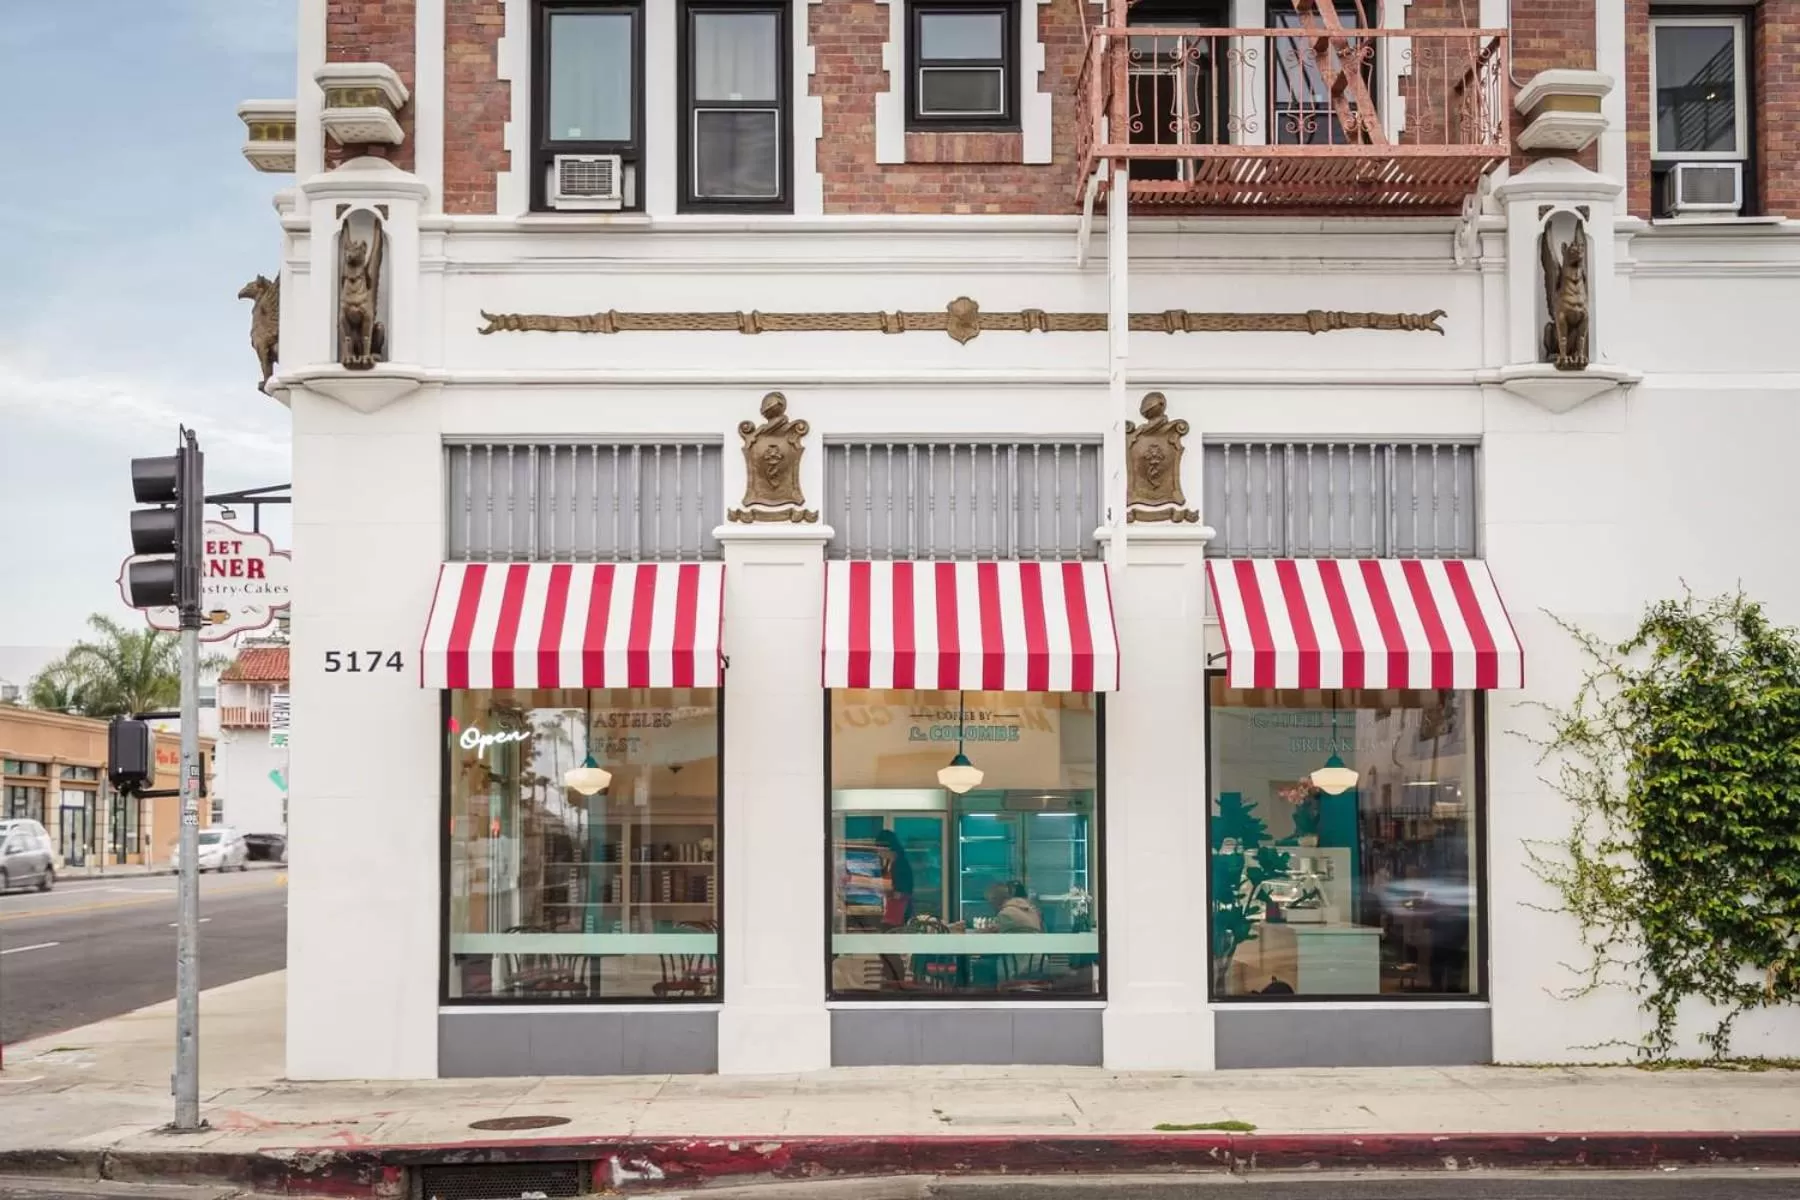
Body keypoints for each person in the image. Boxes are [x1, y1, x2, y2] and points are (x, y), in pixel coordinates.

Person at [873, 830, 914, 986]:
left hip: (898, 914)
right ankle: (891, 981)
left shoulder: (901, 865)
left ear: (887, 847)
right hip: (890, 912)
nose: (878, 853)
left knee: (890, 952)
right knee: (886, 952)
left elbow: (902, 892)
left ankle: (895, 982)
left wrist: (881, 888)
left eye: (879, 849)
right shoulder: (889, 865)